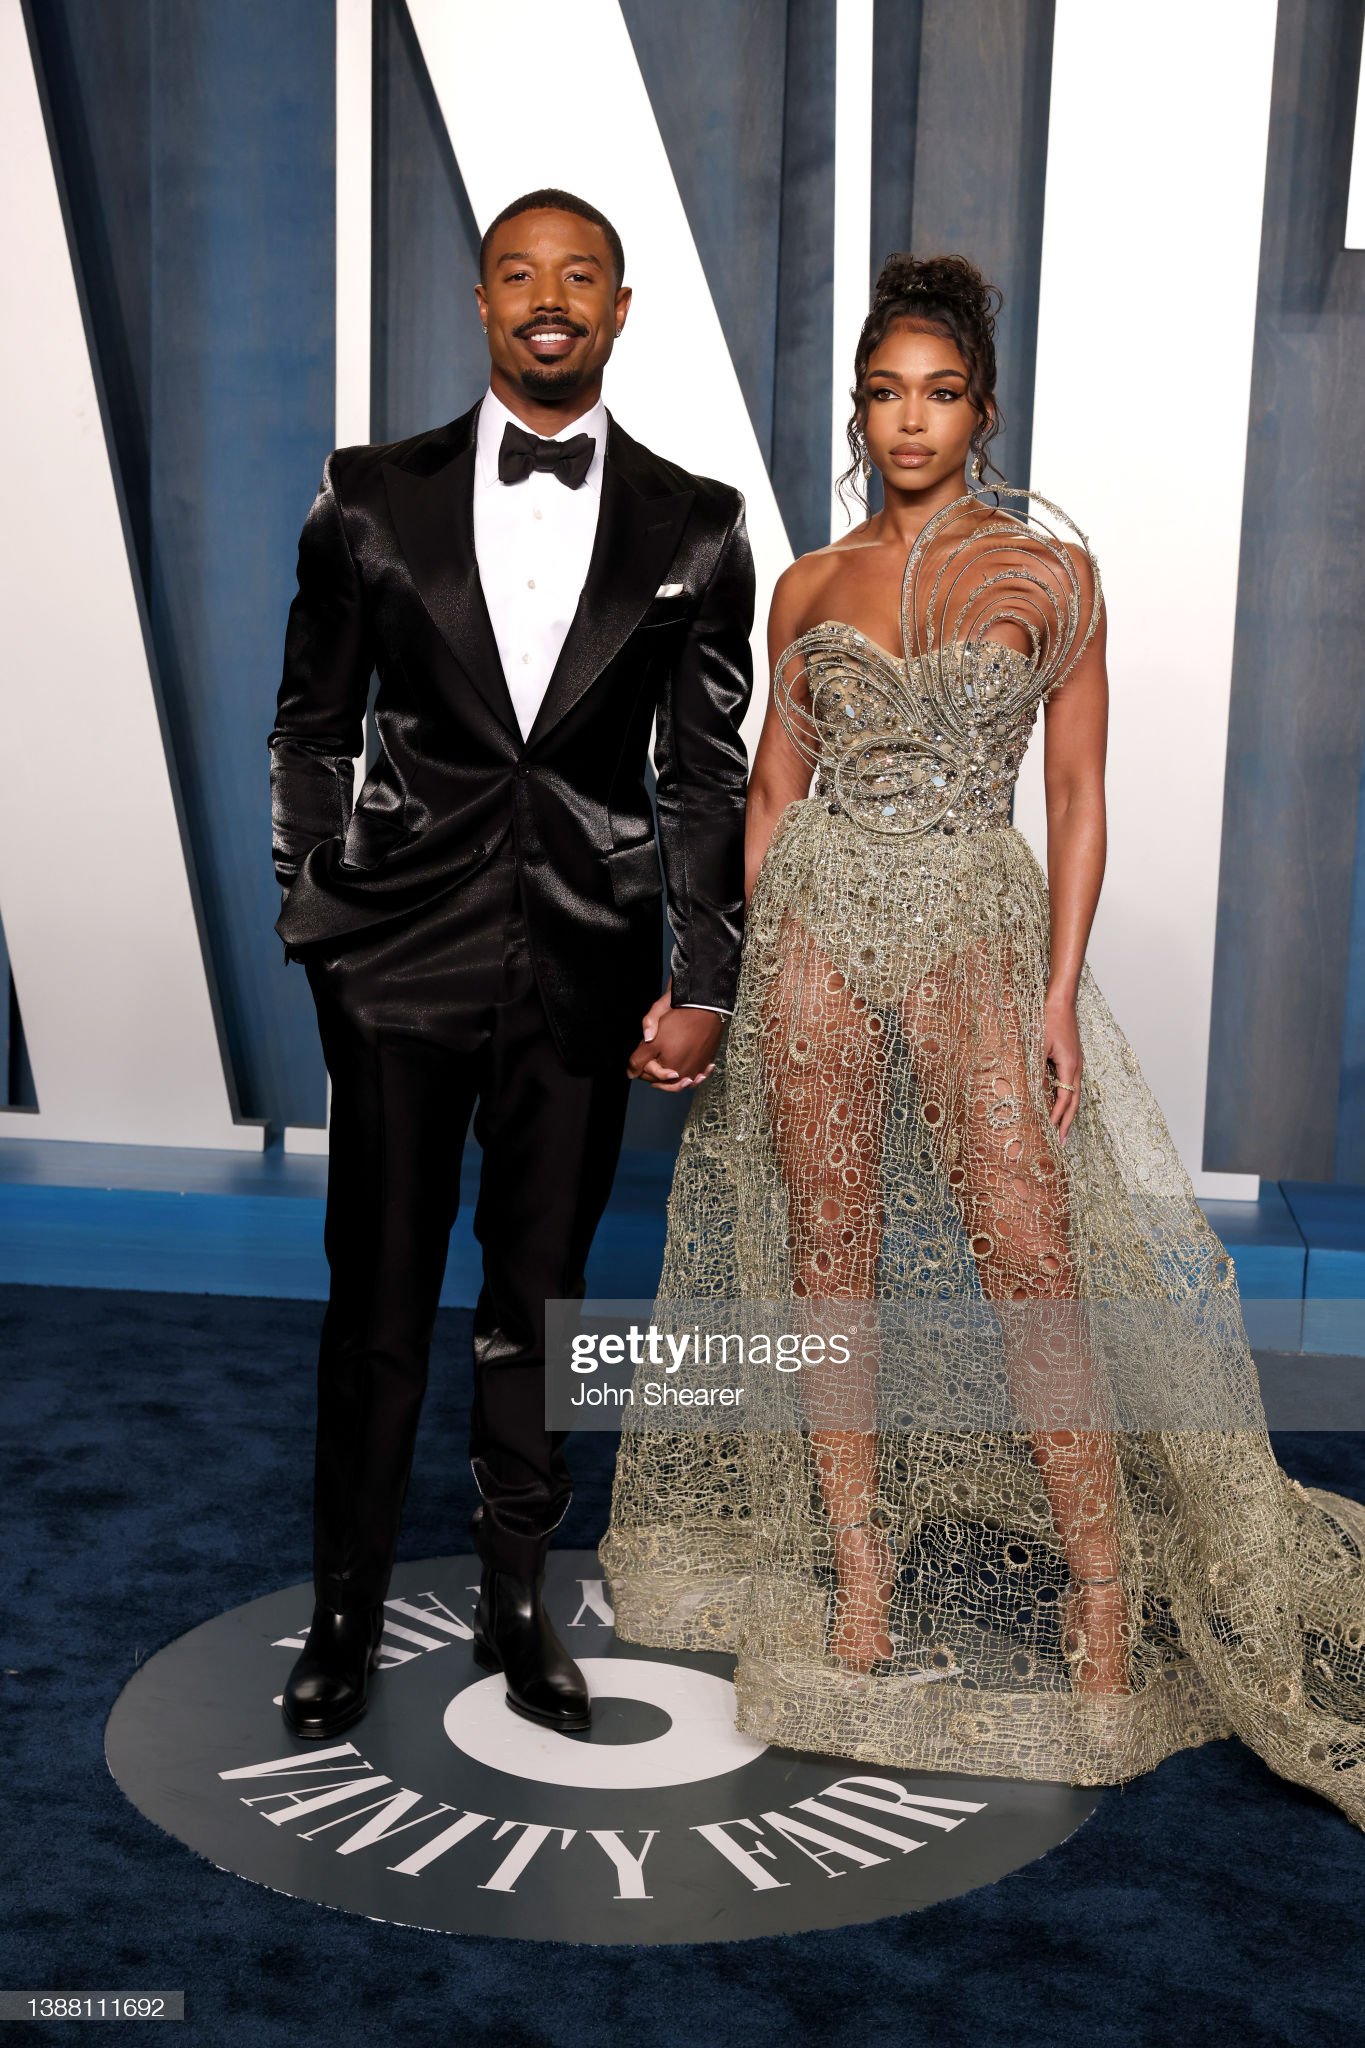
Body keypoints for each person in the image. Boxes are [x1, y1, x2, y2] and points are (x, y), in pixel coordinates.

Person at [602, 252, 1365, 1830]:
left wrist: (1055, 991)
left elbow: (1077, 799)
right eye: (882, 394)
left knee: (1027, 1257)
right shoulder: (809, 583)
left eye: (936, 393)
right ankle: (858, 1584)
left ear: (982, 409)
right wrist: (770, 953)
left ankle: (1097, 1588)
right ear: (858, 410)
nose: (906, 421)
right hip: (818, 935)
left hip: (973, 933)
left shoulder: (1045, 576)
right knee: (827, 1262)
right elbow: (764, 796)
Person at [269, 188, 752, 1741]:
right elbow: (310, 728)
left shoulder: (697, 524)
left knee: (534, 1306)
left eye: (580, 277)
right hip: (395, 962)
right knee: (380, 1301)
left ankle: (516, 1601)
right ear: (482, 302)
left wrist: (704, 975)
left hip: (587, 970)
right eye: (518, 274)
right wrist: (314, 920)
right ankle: (342, 1613)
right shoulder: (365, 497)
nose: (550, 300)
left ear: (620, 308)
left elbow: (701, 776)